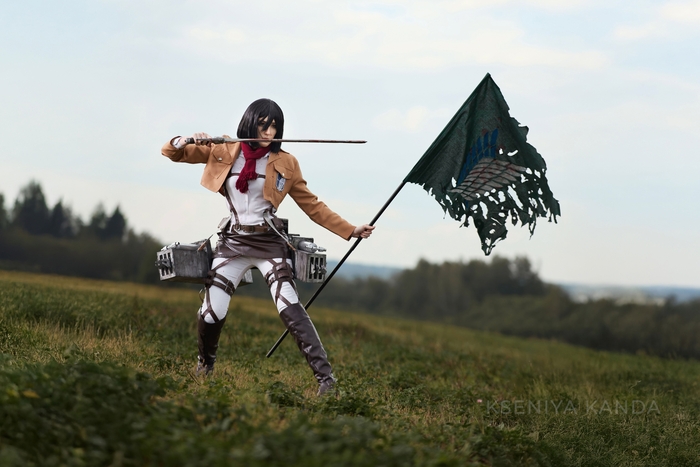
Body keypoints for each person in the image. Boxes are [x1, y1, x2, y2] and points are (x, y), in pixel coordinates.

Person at [161, 98, 374, 396]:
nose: (269, 131)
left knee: (291, 307)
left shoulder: (286, 162)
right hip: (232, 243)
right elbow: (171, 152)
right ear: (250, 122)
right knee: (211, 312)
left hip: (269, 244)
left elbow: (312, 205)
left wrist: (350, 229)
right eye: (263, 124)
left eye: (275, 126)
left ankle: (326, 381)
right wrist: (185, 139)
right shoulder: (223, 149)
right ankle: (204, 366)